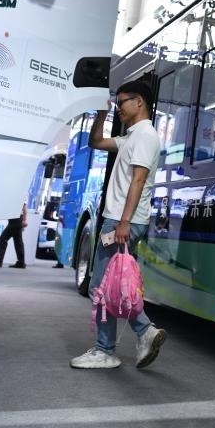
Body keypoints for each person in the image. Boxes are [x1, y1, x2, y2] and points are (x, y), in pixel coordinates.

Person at [70, 81, 167, 371]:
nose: (119, 107)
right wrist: (102, 113)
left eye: (123, 101)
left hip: (123, 220)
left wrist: (123, 222)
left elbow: (138, 180)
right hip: (121, 219)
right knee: (112, 285)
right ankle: (140, 334)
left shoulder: (145, 136)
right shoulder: (130, 137)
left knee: (100, 286)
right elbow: (96, 142)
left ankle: (109, 348)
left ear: (140, 102)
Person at [0, 203, 28, 268]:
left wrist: (24, 220)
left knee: (3, 239)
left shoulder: (20, 196)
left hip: (16, 219)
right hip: (16, 219)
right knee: (18, 242)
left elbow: (24, 207)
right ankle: (21, 262)